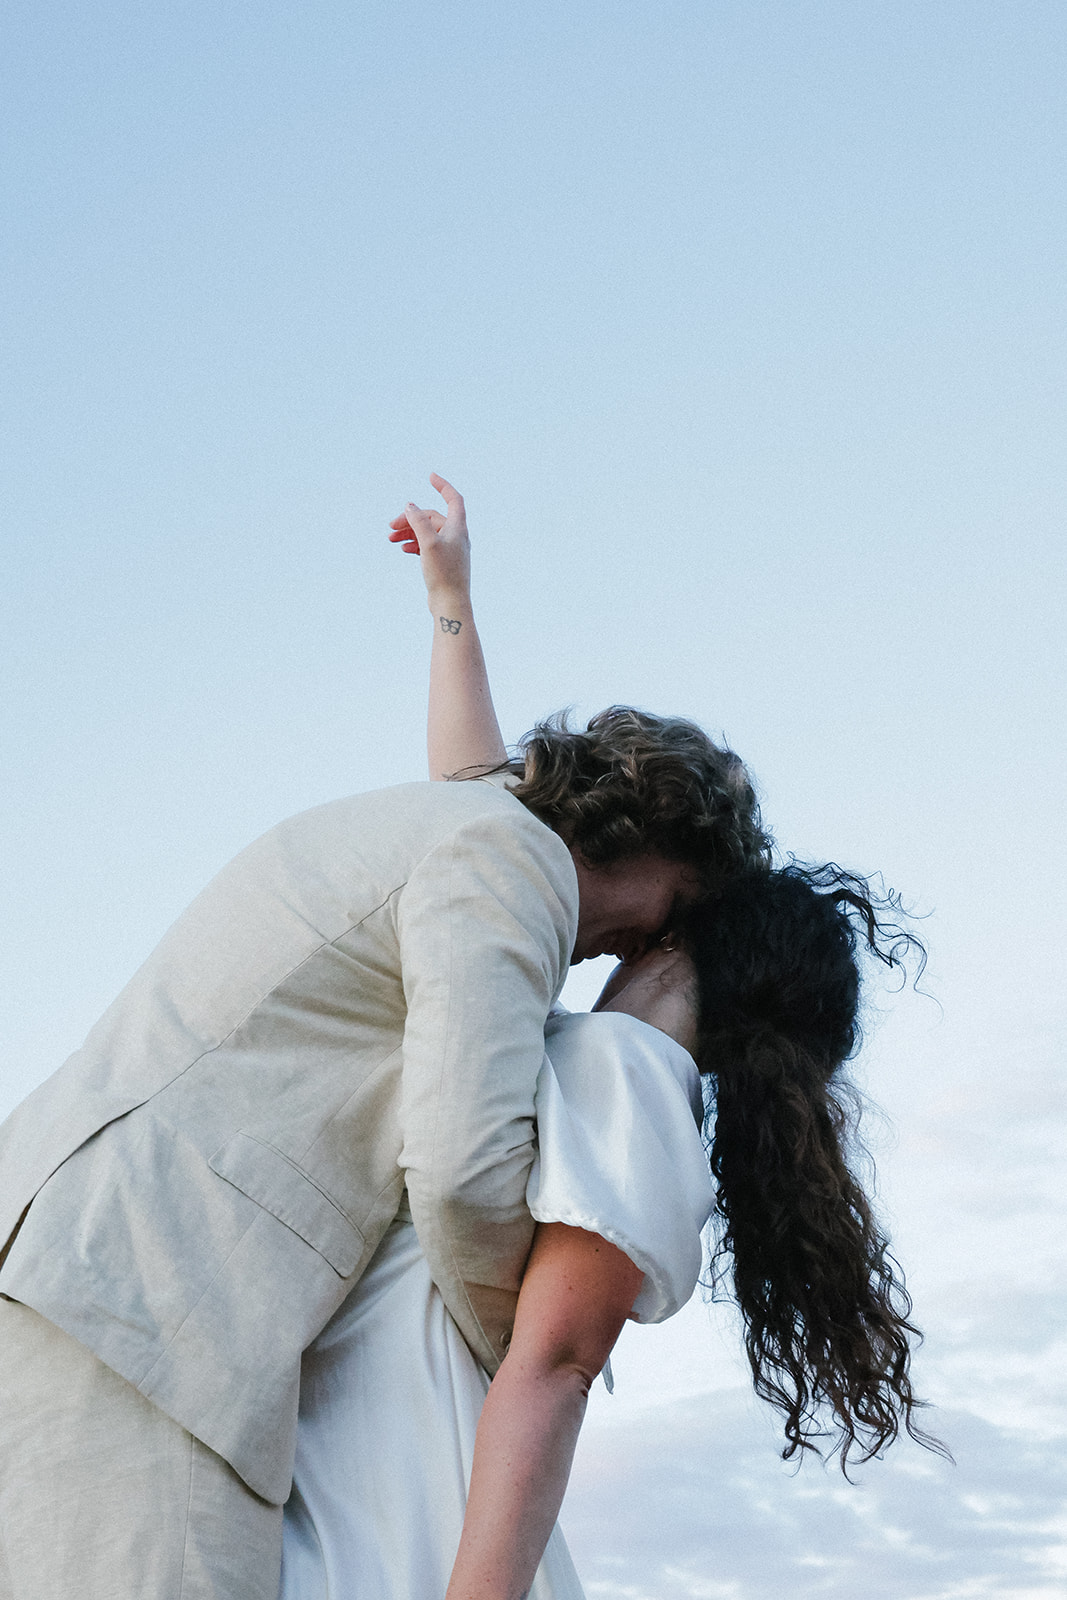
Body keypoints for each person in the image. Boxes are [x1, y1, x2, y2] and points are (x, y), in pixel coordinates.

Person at [0, 489, 770, 1599]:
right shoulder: (512, 869)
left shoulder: (470, 835)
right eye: (672, 909)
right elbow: (462, 1169)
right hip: (153, 1322)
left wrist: (450, 605)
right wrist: (526, 1354)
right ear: (654, 843)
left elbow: (470, 774)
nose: (634, 949)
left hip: (74, 1275)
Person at [270, 479, 941, 1600]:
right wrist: (452, 605)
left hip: (407, 1521)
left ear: (692, 941)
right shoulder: (582, 1049)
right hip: (380, 1481)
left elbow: (560, 1360)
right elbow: (479, 810)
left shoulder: (631, 1080)